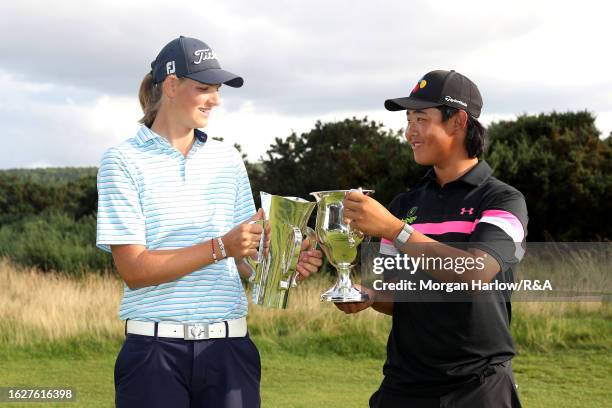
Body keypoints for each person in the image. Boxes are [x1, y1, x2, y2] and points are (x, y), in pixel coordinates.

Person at [95, 35, 322, 408]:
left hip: (230, 350)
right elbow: (134, 270)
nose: (215, 100)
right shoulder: (122, 160)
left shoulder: (227, 159)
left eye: (216, 90)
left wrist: (280, 266)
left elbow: (242, 259)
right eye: (204, 89)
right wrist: (221, 247)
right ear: (171, 85)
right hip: (154, 354)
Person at [339, 70, 527, 407]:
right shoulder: (404, 205)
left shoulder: (502, 200)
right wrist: (368, 296)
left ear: (458, 122)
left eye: (421, 119)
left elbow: (474, 274)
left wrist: (396, 230)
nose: (410, 131)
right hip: (404, 385)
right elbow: (401, 295)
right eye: (409, 119)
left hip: (478, 387)